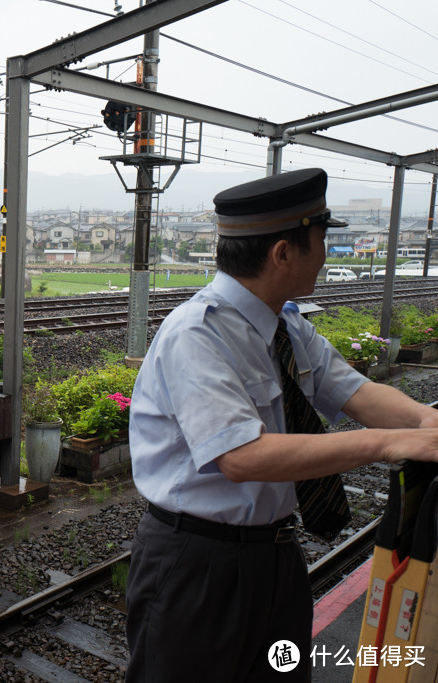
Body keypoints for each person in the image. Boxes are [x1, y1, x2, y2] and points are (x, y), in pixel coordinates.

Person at [124, 168, 438, 682]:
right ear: (284, 253)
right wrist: (390, 443)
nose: (325, 254)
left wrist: (427, 421)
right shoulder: (197, 334)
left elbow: (356, 392)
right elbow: (242, 457)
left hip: (275, 558)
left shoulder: (286, 326)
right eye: (320, 241)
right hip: (197, 564)